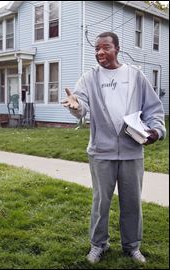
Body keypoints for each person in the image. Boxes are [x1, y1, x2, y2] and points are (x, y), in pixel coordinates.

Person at [62, 32, 166, 264]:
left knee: (132, 202)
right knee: (101, 202)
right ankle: (98, 245)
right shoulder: (90, 77)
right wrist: (76, 106)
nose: (100, 52)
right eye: (97, 48)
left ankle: (132, 246)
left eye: (105, 47)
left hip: (132, 151)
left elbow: (153, 108)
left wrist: (157, 130)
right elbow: (80, 104)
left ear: (117, 48)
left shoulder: (135, 75)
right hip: (101, 152)